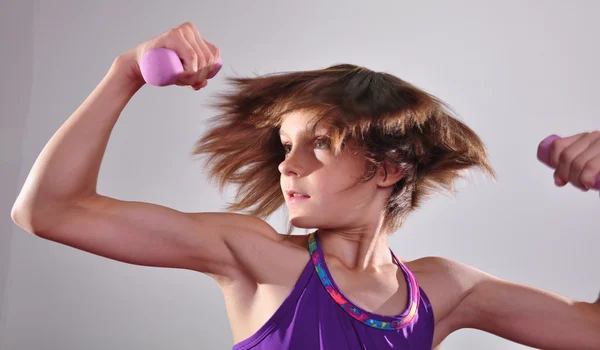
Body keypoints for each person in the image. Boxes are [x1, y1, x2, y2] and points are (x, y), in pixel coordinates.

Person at [10, 22, 600, 350]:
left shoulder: (445, 291)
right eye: (286, 146)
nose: (288, 166)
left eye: (317, 143)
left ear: (389, 167)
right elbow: (52, 211)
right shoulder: (253, 255)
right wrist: (125, 74)